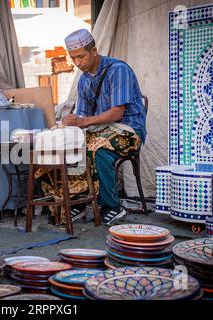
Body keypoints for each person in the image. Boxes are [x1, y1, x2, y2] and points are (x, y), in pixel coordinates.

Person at [62, 29, 147, 225]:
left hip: (130, 129)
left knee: (98, 148)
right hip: (101, 130)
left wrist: (83, 122)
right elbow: (83, 117)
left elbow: (117, 113)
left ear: (94, 51)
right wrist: (69, 124)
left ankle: (112, 206)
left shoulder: (118, 70)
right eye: (73, 58)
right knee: (72, 148)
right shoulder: (83, 80)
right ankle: (78, 201)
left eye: (81, 56)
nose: (77, 63)